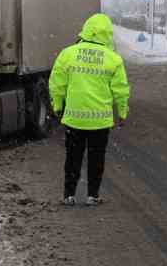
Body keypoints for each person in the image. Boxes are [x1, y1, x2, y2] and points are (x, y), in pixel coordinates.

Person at [49, 13, 130, 206]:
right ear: (107, 34)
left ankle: (69, 195)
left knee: (73, 158)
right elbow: (121, 89)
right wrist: (123, 112)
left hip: (74, 120)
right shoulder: (114, 59)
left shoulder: (68, 54)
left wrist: (58, 106)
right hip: (100, 122)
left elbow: (57, 84)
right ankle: (92, 195)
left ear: (86, 30)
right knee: (96, 159)